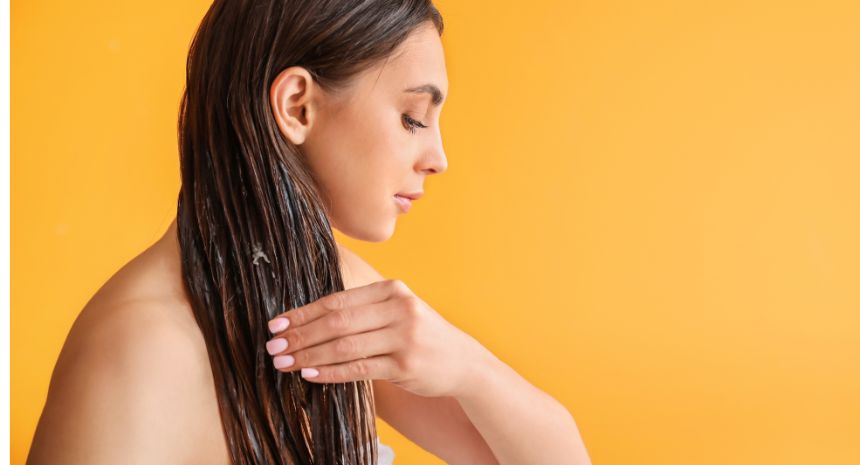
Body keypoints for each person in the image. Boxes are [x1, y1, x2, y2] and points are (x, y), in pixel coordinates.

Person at [26, 1, 592, 464]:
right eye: (413, 117)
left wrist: (469, 366)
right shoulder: (137, 350)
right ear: (297, 106)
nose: (438, 158)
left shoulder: (327, 288)